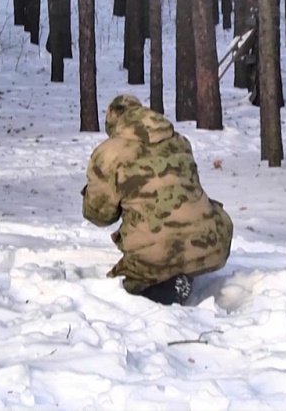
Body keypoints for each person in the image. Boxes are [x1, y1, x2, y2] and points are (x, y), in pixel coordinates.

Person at [82, 94, 233, 305]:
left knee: (129, 291)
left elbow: (99, 215)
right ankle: (183, 270)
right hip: (213, 244)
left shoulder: (108, 154)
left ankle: (161, 290)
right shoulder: (179, 140)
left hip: (154, 255)